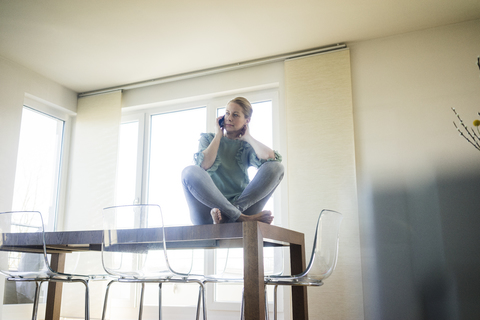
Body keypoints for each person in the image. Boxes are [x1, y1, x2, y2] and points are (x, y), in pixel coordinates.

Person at [181, 97, 284, 225]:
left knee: (277, 168)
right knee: (189, 172)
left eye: (235, 115)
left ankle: (231, 214)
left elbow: (271, 158)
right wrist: (218, 135)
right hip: (208, 211)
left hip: (242, 207)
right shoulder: (208, 139)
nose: (229, 118)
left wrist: (248, 137)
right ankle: (240, 217)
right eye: (227, 113)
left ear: (247, 121)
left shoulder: (246, 146)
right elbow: (205, 164)